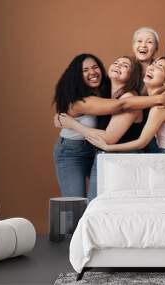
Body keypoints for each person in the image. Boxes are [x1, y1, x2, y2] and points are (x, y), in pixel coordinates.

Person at [55, 56, 144, 199]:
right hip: (76, 150)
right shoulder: (105, 91)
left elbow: (110, 134)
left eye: (125, 65)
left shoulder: (127, 96)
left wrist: (73, 125)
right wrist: (61, 118)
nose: (118, 65)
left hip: (109, 152)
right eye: (116, 62)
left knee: (95, 204)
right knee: (76, 203)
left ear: (133, 75)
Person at [87, 57, 165, 154]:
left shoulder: (159, 108)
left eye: (159, 67)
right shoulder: (154, 102)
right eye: (153, 63)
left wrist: (107, 147)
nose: (151, 67)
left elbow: (142, 142)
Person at [52, 54, 110, 200]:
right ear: (78, 75)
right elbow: (122, 106)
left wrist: (74, 125)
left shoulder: (106, 89)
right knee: (75, 204)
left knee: (98, 201)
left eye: (95, 67)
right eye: (85, 70)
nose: (92, 72)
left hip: (96, 147)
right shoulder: (79, 100)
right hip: (71, 151)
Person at [132, 27, 161, 153]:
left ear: (156, 49)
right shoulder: (125, 67)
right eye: (139, 41)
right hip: (129, 131)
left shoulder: (163, 69)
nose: (143, 45)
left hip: (156, 132)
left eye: (149, 42)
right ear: (133, 45)